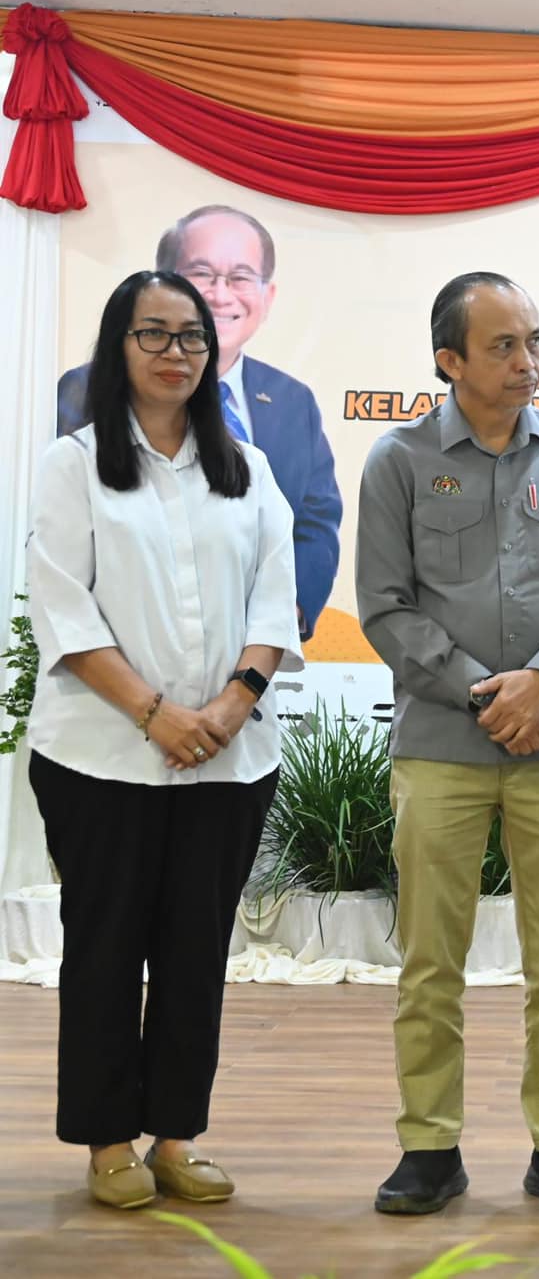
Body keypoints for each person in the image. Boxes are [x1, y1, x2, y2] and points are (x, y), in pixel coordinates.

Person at [24, 270, 301, 1209]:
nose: (176, 352)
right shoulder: (73, 465)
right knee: (104, 951)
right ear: (120, 347)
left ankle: (177, 1135)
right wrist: (156, 714)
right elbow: (64, 611)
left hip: (230, 760)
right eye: (154, 334)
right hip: (99, 758)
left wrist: (229, 706)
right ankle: (108, 1140)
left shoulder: (248, 469)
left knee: (195, 954)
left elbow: (274, 600)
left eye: (191, 337)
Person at [355, 273, 539, 1217]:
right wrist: (488, 695)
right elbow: (385, 607)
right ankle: (429, 1146)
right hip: (441, 744)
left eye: (534, 341)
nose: (527, 362)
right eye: (504, 345)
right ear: (450, 361)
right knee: (431, 960)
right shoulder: (399, 460)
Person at [58, 205, 343, 642]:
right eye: (201, 273)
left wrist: (282, 619)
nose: (220, 294)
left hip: (248, 652)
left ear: (267, 296)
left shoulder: (291, 403)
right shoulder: (80, 399)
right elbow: (64, 568)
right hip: (124, 645)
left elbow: (314, 519)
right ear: (164, 283)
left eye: (241, 277)